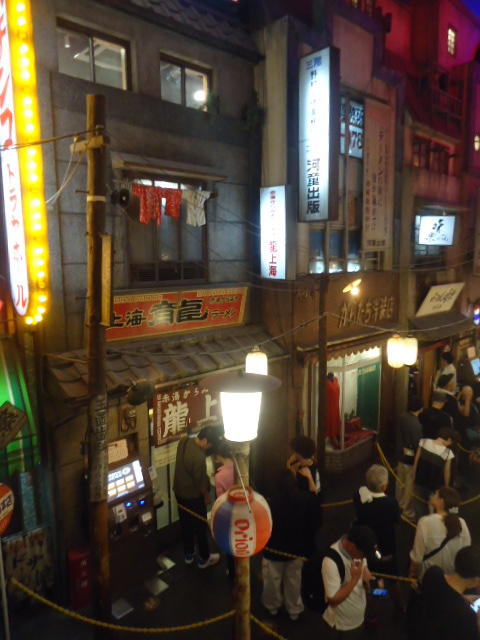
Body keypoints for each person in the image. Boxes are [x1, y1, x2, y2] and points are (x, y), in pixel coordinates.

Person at [262, 470, 315, 621]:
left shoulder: (270, 504)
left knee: (272, 582)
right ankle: (294, 609)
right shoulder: (304, 500)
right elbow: (312, 519)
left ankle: (272, 607)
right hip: (296, 549)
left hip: (273, 550)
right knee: (294, 581)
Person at [173, 425, 221, 568]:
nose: (209, 448)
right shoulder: (199, 457)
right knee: (200, 527)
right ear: (205, 441)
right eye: (210, 445)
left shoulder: (184, 441)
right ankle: (204, 559)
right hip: (192, 496)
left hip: (179, 492)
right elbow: (200, 483)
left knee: (185, 524)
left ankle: (189, 554)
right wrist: (206, 496)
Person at [411, 546, 480, 640]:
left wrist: (461, 598)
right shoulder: (467, 616)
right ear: (475, 580)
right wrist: (477, 624)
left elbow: (443, 597)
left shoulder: (433, 573)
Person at [321, 524, 376, 638]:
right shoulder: (330, 562)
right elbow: (333, 600)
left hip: (357, 619)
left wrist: (366, 579)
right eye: (363, 554)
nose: (363, 558)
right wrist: (354, 580)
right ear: (352, 546)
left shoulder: (358, 553)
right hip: (342, 627)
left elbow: (364, 568)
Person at [409, 486, 471, 581]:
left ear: (441, 501)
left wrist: (413, 573)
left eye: (436, 494)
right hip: (453, 580)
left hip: (429, 578)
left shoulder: (425, 522)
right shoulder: (462, 523)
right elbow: (466, 553)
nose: (433, 496)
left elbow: (417, 559)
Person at [353, 465, 400, 574]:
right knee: (388, 568)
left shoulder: (358, 495)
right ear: (384, 486)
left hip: (365, 541)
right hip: (385, 543)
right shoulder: (391, 503)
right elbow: (396, 520)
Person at [412, 426, 456, 519]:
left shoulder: (424, 442)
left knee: (418, 505)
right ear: (449, 439)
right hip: (434, 486)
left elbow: (416, 462)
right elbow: (446, 472)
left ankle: (420, 523)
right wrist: (446, 487)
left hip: (419, 480)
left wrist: (413, 477)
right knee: (432, 509)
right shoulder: (448, 453)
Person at [396, 396, 423, 519]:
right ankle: (406, 509)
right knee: (409, 484)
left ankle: (398, 503)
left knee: (399, 481)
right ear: (420, 408)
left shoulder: (402, 417)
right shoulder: (416, 424)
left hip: (401, 455)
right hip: (411, 458)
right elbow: (417, 444)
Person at [213, 439, 235, 578]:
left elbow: (220, 498)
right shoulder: (240, 468)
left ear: (220, 456)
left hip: (228, 513)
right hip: (242, 509)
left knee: (229, 542)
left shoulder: (219, 476)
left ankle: (231, 570)